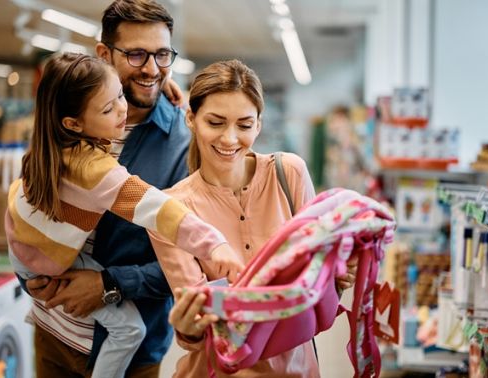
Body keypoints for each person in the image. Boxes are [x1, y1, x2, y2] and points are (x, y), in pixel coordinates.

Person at [6, 52, 244, 378]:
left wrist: (166, 92)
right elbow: (160, 210)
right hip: (50, 278)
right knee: (130, 330)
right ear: (73, 123)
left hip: (23, 246)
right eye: (109, 107)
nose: (123, 108)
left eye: (120, 93)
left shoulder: (47, 144)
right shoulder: (96, 170)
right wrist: (213, 244)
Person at [21, 1, 202, 377]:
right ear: (104, 53)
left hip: (128, 353)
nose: (152, 69)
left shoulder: (184, 145)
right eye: (136, 54)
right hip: (53, 331)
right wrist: (29, 269)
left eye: (162, 54)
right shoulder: (66, 118)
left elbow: (194, 262)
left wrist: (109, 284)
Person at [151, 59, 358, 377]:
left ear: (259, 125)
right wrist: (190, 327)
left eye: (244, 125)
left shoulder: (288, 174)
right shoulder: (172, 210)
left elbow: (316, 290)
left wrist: (335, 275)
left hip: (297, 370)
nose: (230, 139)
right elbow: (197, 333)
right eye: (216, 122)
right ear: (191, 118)